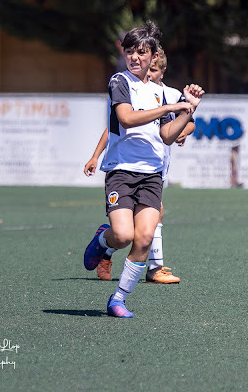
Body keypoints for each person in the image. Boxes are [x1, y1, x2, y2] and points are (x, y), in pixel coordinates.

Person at [82, 22, 204, 318]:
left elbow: (167, 136)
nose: (134, 57)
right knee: (123, 235)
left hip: (151, 174)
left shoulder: (160, 93)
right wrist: (169, 108)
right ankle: (103, 240)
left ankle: (118, 299)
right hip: (122, 171)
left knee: (145, 237)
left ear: (153, 56)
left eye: (141, 52)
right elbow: (125, 118)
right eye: (130, 52)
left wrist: (189, 108)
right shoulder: (119, 81)